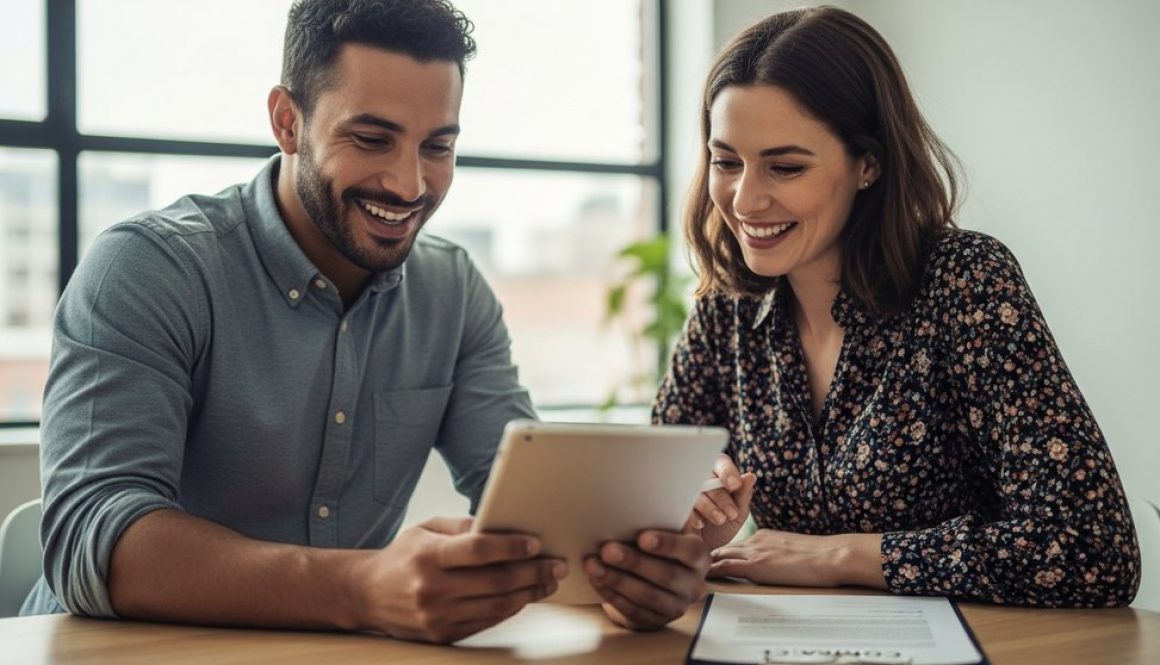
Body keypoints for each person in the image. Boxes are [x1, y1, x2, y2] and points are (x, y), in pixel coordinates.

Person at [23, 0, 709, 641]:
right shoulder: (151, 269)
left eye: (437, 147)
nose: (409, 185)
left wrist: (629, 572)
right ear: (287, 122)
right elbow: (91, 536)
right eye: (373, 139)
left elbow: (535, 505)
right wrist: (359, 587)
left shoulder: (453, 292)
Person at [655, 5, 1140, 607]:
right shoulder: (726, 308)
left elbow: (1094, 552)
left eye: (785, 166)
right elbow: (645, 514)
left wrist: (844, 556)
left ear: (869, 164)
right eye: (726, 162)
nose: (745, 199)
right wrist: (694, 534)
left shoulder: (965, 282)